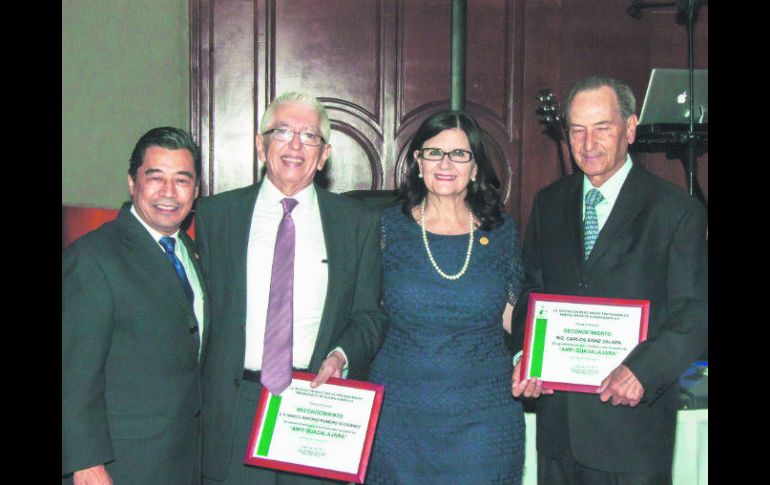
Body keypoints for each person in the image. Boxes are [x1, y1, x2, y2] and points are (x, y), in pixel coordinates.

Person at [511, 76, 708, 484]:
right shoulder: (549, 203)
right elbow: (533, 290)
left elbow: (695, 314)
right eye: (577, 129)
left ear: (630, 129)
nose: (588, 143)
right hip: (559, 433)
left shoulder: (677, 211)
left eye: (603, 128)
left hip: (632, 433)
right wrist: (527, 358)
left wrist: (643, 372)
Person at [194, 91, 388, 485]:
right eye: (282, 131)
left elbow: (370, 314)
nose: (296, 145)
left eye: (310, 136)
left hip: (316, 403)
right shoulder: (215, 215)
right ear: (260, 145)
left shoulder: (357, 223)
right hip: (235, 406)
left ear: (325, 154)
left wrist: (340, 356)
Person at [365, 110, 526, 485]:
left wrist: (532, 356)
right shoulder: (385, 227)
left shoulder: (501, 232)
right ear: (417, 162)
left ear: (475, 167)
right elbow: (363, 310)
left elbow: (513, 313)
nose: (446, 164)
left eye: (459, 154)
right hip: (398, 416)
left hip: (484, 418)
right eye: (434, 152)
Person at [62, 127, 207, 484]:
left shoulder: (191, 252)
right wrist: (86, 462)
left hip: (182, 458)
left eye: (182, 180)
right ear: (132, 182)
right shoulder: (93, 257)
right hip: (118, 464)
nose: (168, 193)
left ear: (196, 191)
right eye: (155, 178)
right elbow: (73, 371)